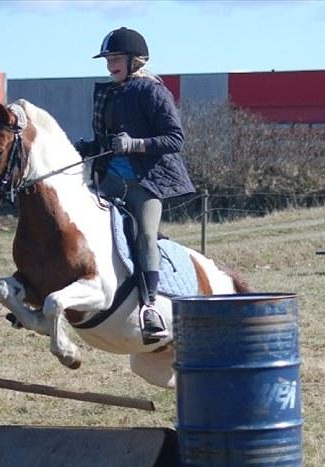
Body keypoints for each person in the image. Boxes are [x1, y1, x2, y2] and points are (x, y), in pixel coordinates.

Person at [75, 27, 195, 343]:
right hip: (110, 180)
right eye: (108, 58)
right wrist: (86, 147)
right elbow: (107, 141)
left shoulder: (154, 92)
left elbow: (175, 139)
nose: (109, 64)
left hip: (146, 182)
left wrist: (135, 145)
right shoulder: (111, 93)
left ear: (135, 60)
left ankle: (150, 306)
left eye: (115, 58)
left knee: (144, 234)